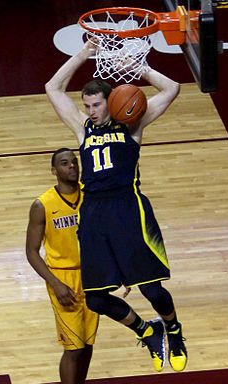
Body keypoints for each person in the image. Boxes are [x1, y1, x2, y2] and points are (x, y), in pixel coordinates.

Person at [45, 41, 187, 373]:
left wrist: (139, 70)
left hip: (128, 208)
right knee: (95, 299)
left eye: (96, 104)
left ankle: (174, 330)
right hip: (93, 213)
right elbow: (52, 87)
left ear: (110, 102)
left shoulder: (132, 124)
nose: (92, 110)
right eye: (87, 105)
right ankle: (146, 330)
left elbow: (173, 88)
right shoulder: (82, 128)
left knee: (152, 288)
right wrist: (84, 54)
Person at [26, 148, 99, 384]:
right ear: (54, 170)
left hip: (92, 277)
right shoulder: (43, 204)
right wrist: (55, 284)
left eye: (74, 162)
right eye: (65, 163)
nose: (72, 167)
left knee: (87, 345)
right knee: (73, 348)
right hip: (63, 280)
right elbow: (31, 251)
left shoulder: (92, 196)